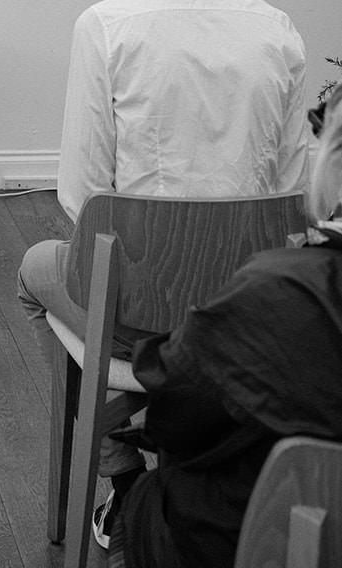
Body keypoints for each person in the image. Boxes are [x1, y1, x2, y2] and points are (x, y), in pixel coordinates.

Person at [16, 0, 308, 548]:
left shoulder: (106, 25)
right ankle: (185, 438)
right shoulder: (277, 33)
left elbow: (81, 199)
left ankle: (118, 471)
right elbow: (295, 192)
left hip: (137, 313)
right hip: (246, 313)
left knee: (36, 270)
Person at [115, 80, 342, 568]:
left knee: (141, 507)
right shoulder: (277, 31)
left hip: (263, 540)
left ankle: (119, 483)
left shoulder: (279, 294)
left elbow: (175, 421)